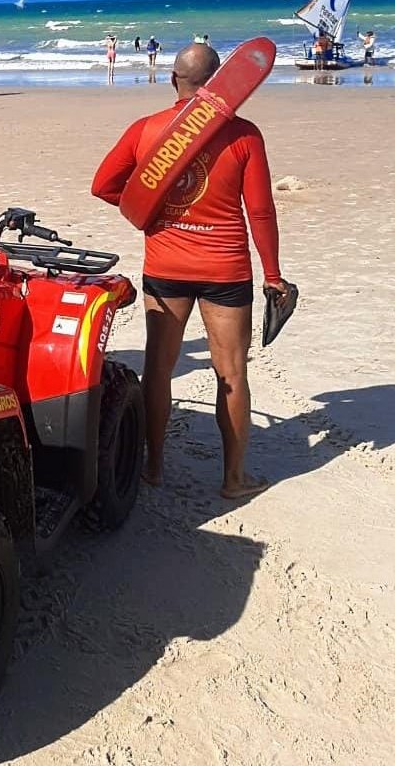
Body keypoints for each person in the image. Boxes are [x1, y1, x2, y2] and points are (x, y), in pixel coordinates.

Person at [91, 42, 290, 501]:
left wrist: (148, 209)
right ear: (223, 81)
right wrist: (273, 274)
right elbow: (260, 210)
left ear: (171, 79)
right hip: (225, 269)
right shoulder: (243, 135)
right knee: (233, 374)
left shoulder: (146, 130)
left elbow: (103, 185)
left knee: (159, 370)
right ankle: (234, 479)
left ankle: (154, 469)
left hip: (165, 267)